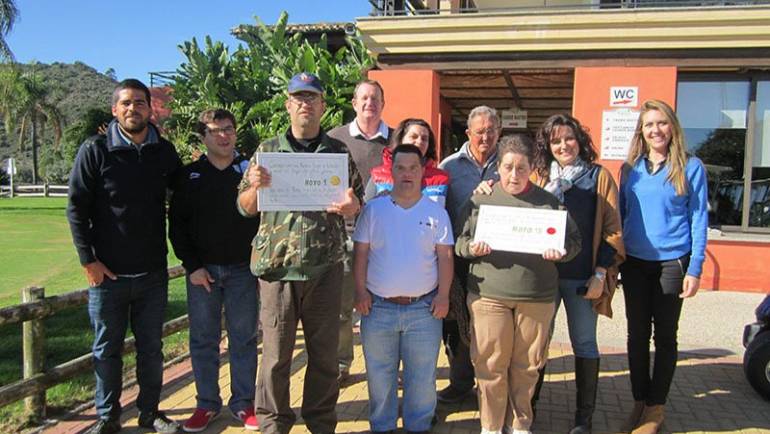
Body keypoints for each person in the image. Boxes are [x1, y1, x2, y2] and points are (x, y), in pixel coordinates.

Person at [236, 72, 363, 434]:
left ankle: (321, 422)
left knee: (324, 357)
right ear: (288, 104)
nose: (305, 104)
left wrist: (352, 207)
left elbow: (358, 202)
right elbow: (244, 207)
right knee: (275, 358)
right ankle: (274, 424)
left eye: (313, 98)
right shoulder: (267, 151)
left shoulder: (337, 153)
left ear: (322, 106)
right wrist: (255, 189)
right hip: (278, 270)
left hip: (324, 270)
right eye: (299, 98)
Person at [67, 79, 182, 434]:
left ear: (150, 109)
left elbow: (189, 194)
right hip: (108, 276)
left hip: (151, 273)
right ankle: (107, 417)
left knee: (151, 350)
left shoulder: (163, 152)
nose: (133, 109)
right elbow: (76, 208)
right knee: (107, 350)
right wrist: (89, 260)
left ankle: (150, 413)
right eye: (126, 103)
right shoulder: (95, 150)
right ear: (115, 110)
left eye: (140, 103)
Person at [455, 134, 581, 434]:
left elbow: (574, 241)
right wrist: (471, 249)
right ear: (498, 167)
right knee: (490, 364)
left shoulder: (549, 203)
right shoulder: (479, 199)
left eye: (521, 168)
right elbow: (459, 242)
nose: (514, 175)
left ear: (531, 169)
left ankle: (519, 425)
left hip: (536, 297)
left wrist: (561, 252)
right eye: (508, 167)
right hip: (489, 295)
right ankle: (491, 426)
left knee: (527, 366)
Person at [619, 99, 708, 434]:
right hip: (635, 264)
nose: (655, 130)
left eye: (661, 123)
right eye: (648, 125)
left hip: (673, 262)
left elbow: (699, 219)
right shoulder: (630, 168)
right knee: (636, 336)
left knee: (665, 337)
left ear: (672, 127)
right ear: (641, 132)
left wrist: (696, 267)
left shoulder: (690, 166)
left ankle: (656, 409)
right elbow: (623, 212)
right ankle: (639, 401)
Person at [532, 114, 625, 434]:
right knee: (537, 344)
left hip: (582, 277)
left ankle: (583, 419)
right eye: (555, 141)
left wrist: (601, 272)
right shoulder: (540, 177)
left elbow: (613, 230)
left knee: (584, 343)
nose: (563, 145)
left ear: (579, 140)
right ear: (548, 146)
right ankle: (528, 411)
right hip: (542, 278)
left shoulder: (597, 176)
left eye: (568, 138)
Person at [169, 109, 260, 432]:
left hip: (243, 271)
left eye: (229, 129)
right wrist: (191, 267)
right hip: (202, 273)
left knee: (244, 339)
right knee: (204, 340)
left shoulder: (252, 171)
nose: (224, 135)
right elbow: (177, 226)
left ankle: (244, 403)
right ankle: (206, 404)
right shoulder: (189, 175)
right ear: (203, 136)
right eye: (216, 130)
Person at [353, 144, 453, 434]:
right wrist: (360, 292)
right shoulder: (373, 210)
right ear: (391, 171)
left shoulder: (436, 213)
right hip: (378, 308)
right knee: (380, 378)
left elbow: (445, 257)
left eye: (413, 167)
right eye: (400, 167)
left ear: (423, 171)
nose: (407, 173)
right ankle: (382, 427)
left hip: (424, 310)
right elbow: (360, 253)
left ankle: (418, 427)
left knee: (421, 380)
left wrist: (444, 296)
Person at [328, 79, 392, 383]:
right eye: (364, 98)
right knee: (341, 308)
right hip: (344, 236)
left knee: (386, 307)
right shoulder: (334, 139)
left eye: (375, 98)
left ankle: (388, 365)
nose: (370, 103)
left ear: (383, 103)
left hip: (386, 239)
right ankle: (341, 363)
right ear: (354, 103)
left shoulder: (396, 141)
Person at [436, 106, 501, 403]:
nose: (485, 136)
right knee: (455, 322)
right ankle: (460, 382)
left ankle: (490, 386)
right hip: (458, 258)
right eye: (480, 131)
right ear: (468, 134)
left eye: (491, 130)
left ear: (499, 131)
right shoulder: (448, 167)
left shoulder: (510, 164)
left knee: (492, 324)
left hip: (498, 260)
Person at [365, 118, 450, 205]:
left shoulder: (441, 179)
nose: (419, 141)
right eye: (414, 136)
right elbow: (365, 212)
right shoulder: (378, 175)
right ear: (401, 140)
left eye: (424, 139)